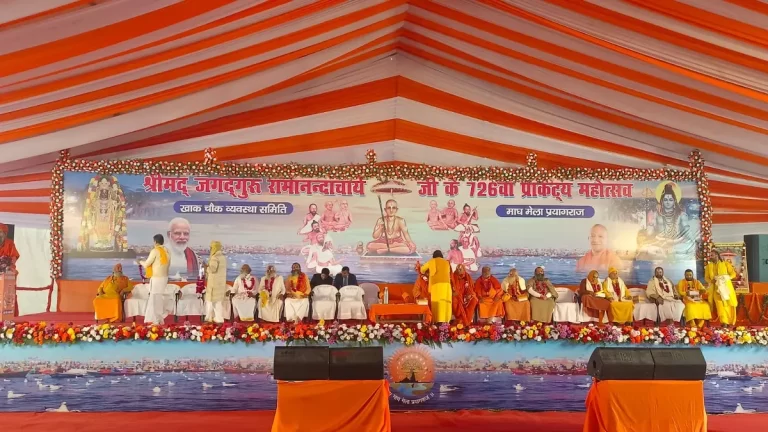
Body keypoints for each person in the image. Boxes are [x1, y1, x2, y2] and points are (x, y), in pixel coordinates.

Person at [139, 234, 171, 325]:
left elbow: (146, 264)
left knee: (155, 298)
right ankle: (159, 319)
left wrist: (140, 261)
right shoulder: (167, 251)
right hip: (164, 278)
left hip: (157, 278)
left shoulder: (155, 251)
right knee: (159, 298)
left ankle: (156, 320)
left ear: (155, 242)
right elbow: (168, 265)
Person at [705, 252, 738, 328]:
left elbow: (733, 274)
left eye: (712, 255)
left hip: (726, 288)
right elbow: (706, 277)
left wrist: (726, 277)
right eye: (709, 255)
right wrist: (711, 281)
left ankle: (730, 321)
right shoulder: (708, 266)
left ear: (717, 255)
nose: (710, 256)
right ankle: (724, 322)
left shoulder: (726, 264)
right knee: (720, 306)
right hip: (716, 289)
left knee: (728, 305)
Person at [420, 250, 453, 323]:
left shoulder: (432, 261)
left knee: (437, 303)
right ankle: (446, 320)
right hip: (447, 286)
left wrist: (424, 270)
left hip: (437, 285)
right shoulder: (446, 262)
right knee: (445, 303)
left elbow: (422, 270)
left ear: (434, 256)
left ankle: (437, 321)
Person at [204, 241, 228, 323]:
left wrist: (206, 267)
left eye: (211, 247)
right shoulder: (222, 257)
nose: (210, 249)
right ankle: (217, 318)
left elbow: (212, 269)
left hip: (214, 284)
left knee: (210, 302)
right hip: (220, 284)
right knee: (217, 302)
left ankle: (210, 318)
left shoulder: (214, 257)